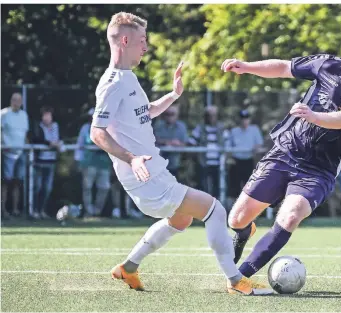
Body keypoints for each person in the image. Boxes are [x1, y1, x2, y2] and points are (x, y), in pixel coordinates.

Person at [88, 12, 271, 295]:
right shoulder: (113, 82)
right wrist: (131, 158)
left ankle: (128, 267)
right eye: (141, 41)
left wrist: (173, 95)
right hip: (145, 176)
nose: (145, 47)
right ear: (125, 40)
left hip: (154, 172)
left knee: (181, 219)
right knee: (215, 209)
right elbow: (96, 132)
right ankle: (236, 281)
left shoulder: (128, 77)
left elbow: (145, 113)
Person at [221, 28, 341, 277]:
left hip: (318, 171)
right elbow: (283, 67)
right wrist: (246, 66)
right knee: (235, 220)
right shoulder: (328, 65)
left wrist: (314, 116)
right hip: (285, 153)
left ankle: (241, 276)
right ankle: (244, 232)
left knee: (290, 217)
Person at [76, 108, 112, 217]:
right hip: (89, 162)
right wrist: (78, 160)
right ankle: (88, 211)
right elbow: (80, 144)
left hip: (104, 163)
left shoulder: (108, 128)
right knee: (87, 186)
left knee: (104, 187)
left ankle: (97, 211)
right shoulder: (85, 128)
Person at [188, 106, 228, 198]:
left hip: (218, 163)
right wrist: (196, 156)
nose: (211, 117)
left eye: (214, 115)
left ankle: (217, 207)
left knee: (217, 187)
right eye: (209, 115)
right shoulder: (200, 128)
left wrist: (225, 159)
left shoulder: (221, 128)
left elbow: (227, 143)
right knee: (203, 186)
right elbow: (191, 142)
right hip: (203, 162)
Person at [30, 106, 63, 219]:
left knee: (47, 188)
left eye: (49, 115)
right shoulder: (38, 127)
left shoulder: (56, 126)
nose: (47, 118)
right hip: (39, 162)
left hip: (51, 162)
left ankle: (42, 210)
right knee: (37, 186)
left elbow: (58, 139)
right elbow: (36, 139)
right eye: (45, 115)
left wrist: (57, 144)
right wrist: (50, 143)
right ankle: (33, 210)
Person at [227, 109, 264, 208]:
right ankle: (234, 209)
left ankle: (249, 209)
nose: (244, 121)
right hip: (236, 161)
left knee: (250, 186)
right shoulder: (234, 131)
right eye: (242, 119)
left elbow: (259, 145)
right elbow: (228, 147)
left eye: (246, 118)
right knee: (235, 187)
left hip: (249, 161)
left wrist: (256, 148)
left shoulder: (254, 129)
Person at [1, 93, 29, 219]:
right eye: (14, 100)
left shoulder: (24, 115)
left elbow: (25, 134)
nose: (16, 102)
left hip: (21, 153)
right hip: (7, 154)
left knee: (18, 182)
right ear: (11, 101)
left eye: (19, 100)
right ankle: (3, 211)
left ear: (21, 102)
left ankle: (15, 210)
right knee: (5, 182)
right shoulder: (3, 114)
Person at [152, 105, 188, 179]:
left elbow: (185, 143)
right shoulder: (158, 125)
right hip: (160, 164)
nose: (169, 116)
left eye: (172, 114)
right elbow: (154, 140)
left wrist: (178, 144)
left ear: (177, 115)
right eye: (167, 114)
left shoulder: (181, 126)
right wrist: (167, 142)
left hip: (176, 163)